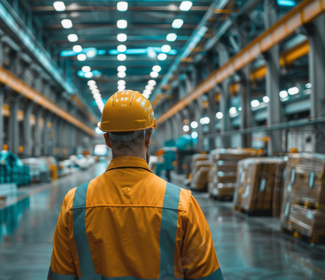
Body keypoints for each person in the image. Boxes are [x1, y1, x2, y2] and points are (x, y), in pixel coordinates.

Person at [48, 90, 223, 280]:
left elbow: (60, 276)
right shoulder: (182, 204)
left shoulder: (74, 203)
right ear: (148, 136)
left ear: (107, 140)